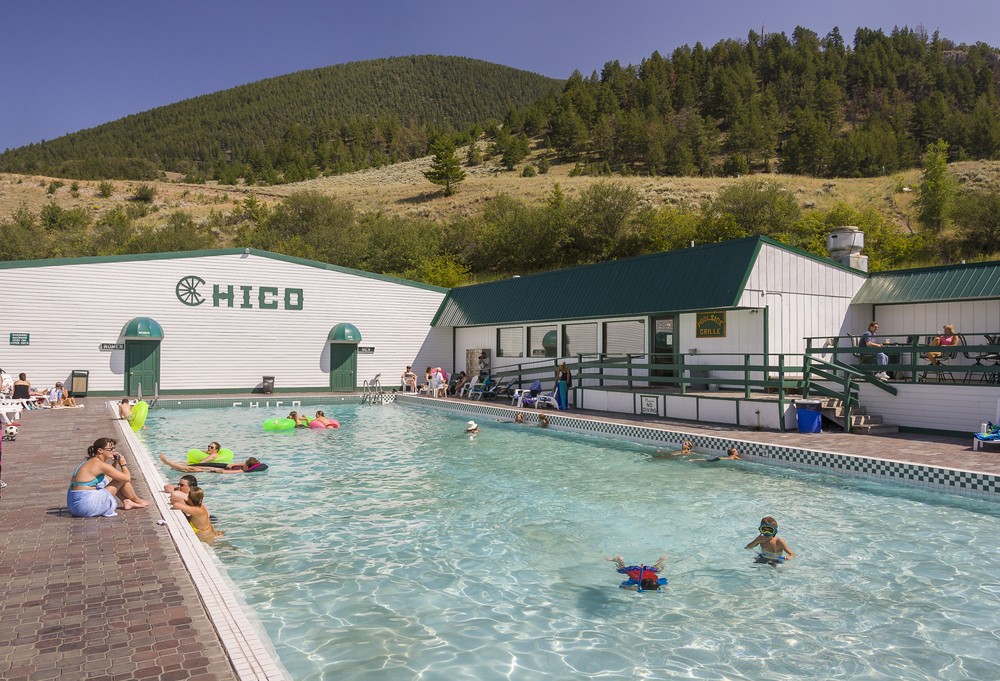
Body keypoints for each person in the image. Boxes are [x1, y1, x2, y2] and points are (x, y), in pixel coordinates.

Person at [67, 437, 151, 517]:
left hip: (75, 505)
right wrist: (123, 464)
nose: (113, 451)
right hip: (85, 506)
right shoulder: (99, 465)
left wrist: (115, 462)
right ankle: (136, 500)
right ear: (100, 450)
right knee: (121, 479)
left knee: (111, 479)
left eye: (114, 448)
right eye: (110, 449)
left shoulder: (92, 461)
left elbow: (112, 475)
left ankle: (127, 501)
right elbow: (126, 478)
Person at [159, 453, 267, 474]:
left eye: (246, 463)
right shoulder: (241, 467)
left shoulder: (240, 471)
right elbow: (230, 466)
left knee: (190, 469)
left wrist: (211, 470)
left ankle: (168, 462)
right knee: (193, 467)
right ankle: (169, 463)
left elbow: (223, 472)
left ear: (248, 466)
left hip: (214, 473)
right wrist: (232, 465)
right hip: (214, 471)